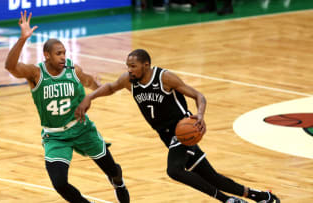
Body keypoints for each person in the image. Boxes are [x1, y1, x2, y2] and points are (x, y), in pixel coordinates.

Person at [74, 49, 281, 203]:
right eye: (128, 66)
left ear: (146, 65)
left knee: (174, 170)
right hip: (166, 136)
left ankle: (227, 200)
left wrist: (200, 115)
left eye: (133, 66)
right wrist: (89, 97)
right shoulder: (129, 80)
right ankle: (263, 197)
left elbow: (199, 95)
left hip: (182, 131)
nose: (129, 70)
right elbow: (110, 87)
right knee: (212, 177)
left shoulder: (165, 78)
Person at [4, 11, 130, 203]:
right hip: (55, 136)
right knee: (59, 183)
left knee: (113, 170)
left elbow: (91, 84)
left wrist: (96, 85)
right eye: (58, 53)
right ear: (46, 55)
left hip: (81, 129)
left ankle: (117, 181)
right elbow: (10, 67)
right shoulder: (36, 74)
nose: (63, 57)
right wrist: (22, 39)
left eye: (64, 53)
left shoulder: (73, 70)